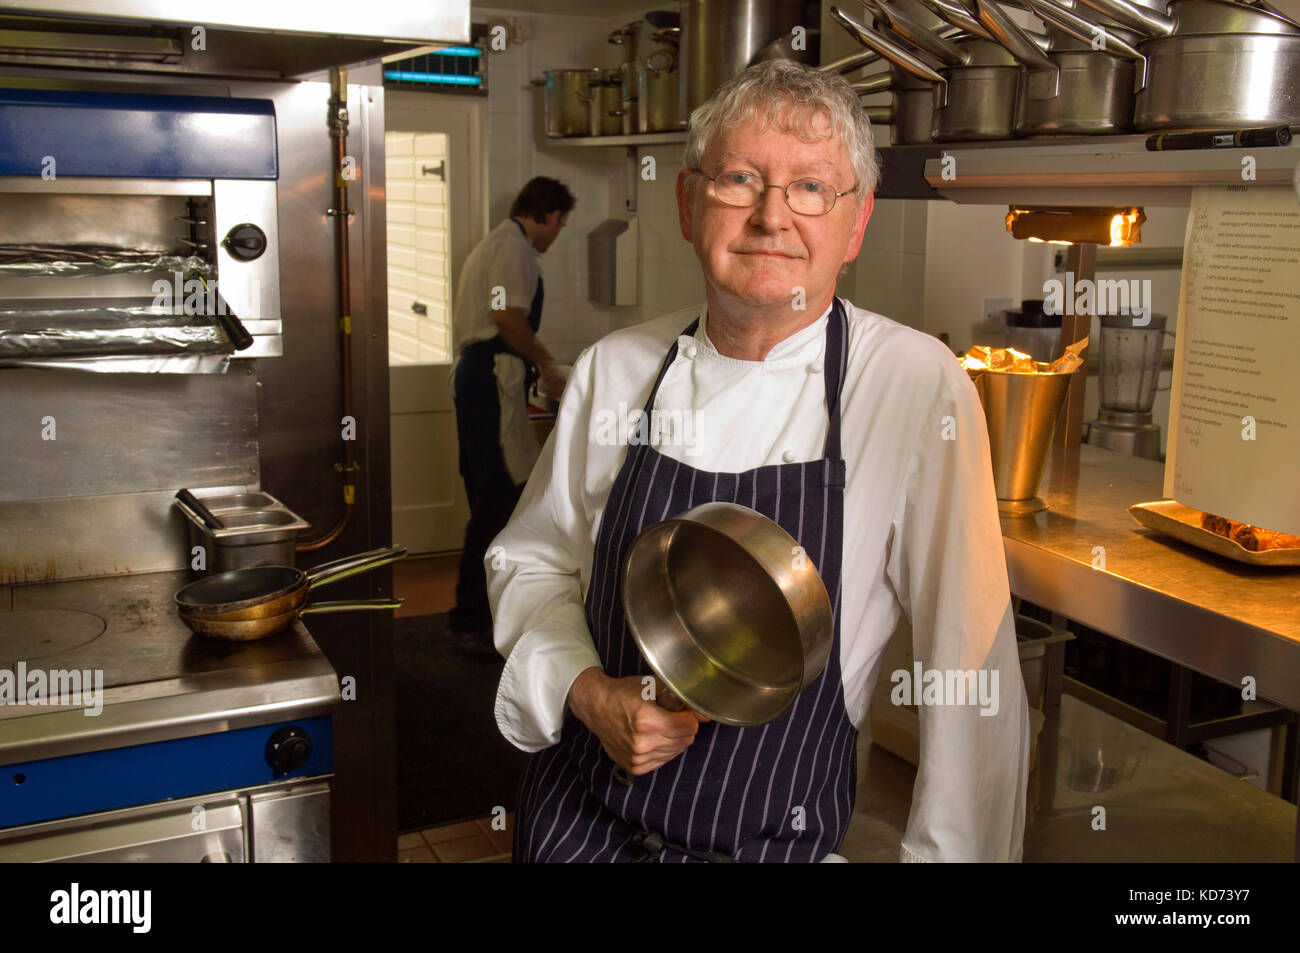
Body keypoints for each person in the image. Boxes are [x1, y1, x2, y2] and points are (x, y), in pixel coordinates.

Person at [487, 62, 1030, 862]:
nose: (772, 217)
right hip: (574, 830)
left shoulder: (911, 383)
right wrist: (588, 690)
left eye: (812, 188)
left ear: (857, 224)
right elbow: (530, 564)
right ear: (687, 202)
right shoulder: (618, 369)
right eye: (739, 179)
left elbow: (968, 665)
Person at [448, 176, 574, 654]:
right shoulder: (516, 251)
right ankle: (470, 617)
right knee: (498, 501)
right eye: (560, 225)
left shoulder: (496, 244)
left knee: (490, 495)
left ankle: (477, 614)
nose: (556, 235)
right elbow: (506, 319)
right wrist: (544, 363)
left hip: (478, 378)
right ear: (551, 216)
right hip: (490, 377)